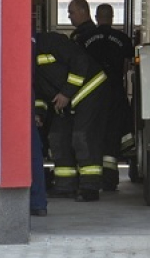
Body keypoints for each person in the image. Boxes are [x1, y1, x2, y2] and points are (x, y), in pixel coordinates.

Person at [34, 31, 108, 202]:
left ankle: (90, 187)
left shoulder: (51, 41)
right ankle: (65, 186)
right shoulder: (27, 58)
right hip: (64, 100)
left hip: (90, 88)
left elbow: (79, 61)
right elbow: (39, 91)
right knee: (57, 136)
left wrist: (67, 93)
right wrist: (39, 113)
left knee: (82, 136)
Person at [78, 3, 135, 191]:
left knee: (93, 133)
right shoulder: (123, 39)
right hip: (115, 92)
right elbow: (128, 65)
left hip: (91, 92)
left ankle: (91, 177)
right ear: (112, 17)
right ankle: (110, 179)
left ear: (96, 16)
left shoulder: (84, 38)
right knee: (112, 135)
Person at [30, 32, 48, 217]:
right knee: (33, 150)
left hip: (18, 91)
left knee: (31, 149)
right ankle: (38, 202)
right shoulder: (33, 38)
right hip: (27, 91)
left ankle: (36, 202)